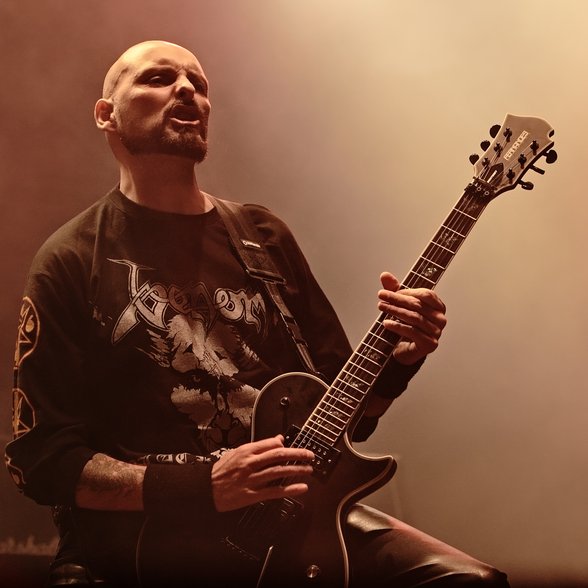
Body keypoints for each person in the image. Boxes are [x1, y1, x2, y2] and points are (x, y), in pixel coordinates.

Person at [5, 40, 509, 587]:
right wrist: (204, 486)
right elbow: (42, 460)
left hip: (295, 518)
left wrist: (402, 358)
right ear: (106, 114)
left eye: (199, 84)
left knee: (472, 581)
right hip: (143, 538)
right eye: (158, 78)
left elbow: (348, 415)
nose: (187, 90)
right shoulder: (72, 258)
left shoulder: (262, 237)